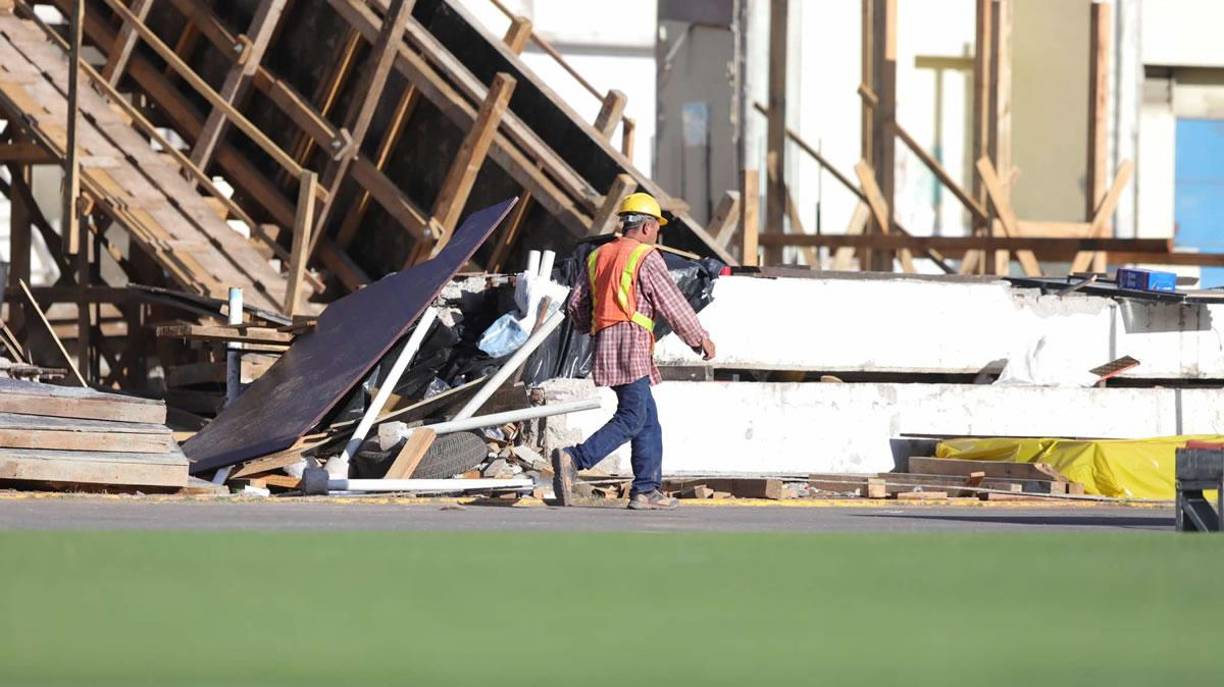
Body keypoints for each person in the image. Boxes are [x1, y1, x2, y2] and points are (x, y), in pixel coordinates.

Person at [552, 193, 716, 510]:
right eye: (656, 227)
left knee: (647, 420)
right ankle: (574, 458)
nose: (657, 234)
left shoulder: (598, 255)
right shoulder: (646, 256)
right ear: (645, 227)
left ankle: (645, 490)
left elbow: (576, 304)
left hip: (605, 344)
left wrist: (594, 326)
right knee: (632, 416)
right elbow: (672, 303)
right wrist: (699, 338)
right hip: (632, 343)